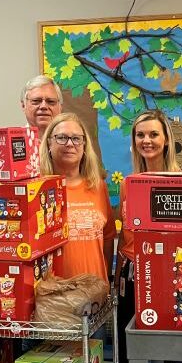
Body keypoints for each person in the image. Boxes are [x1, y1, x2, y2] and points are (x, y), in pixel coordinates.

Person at [116, 110, 181, 363]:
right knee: (126, 347)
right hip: (131, 274)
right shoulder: (128, 184)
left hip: (165, 276)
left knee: (163, 349)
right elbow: (125, 233)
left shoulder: (181, 181)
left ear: (166, 140)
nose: (147, 140)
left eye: (154, 134)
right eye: (140, 135)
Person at [39, 112, 114, 281]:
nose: (70, 144)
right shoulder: (38, 189)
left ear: (84, 145)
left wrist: (106, 281)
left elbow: (108, 239)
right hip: (54, 297)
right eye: (62, 138)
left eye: (76, 138)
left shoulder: (98, 186)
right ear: (49, 143)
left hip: (95, 295)